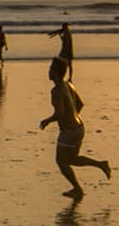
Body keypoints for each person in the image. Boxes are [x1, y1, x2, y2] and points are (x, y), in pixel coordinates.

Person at [38, 56, 111, 199]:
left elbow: (60, 113)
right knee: (71, 159)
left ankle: (77, 189)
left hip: (69, 132)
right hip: (79, 127)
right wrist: (72, 117)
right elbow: (80, 104)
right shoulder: (69, 85)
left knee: (61, 161)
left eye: (51, 68)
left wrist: (48, 120)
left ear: (57, 72)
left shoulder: (56, 91)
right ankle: (101, 164)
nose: (48, 71)